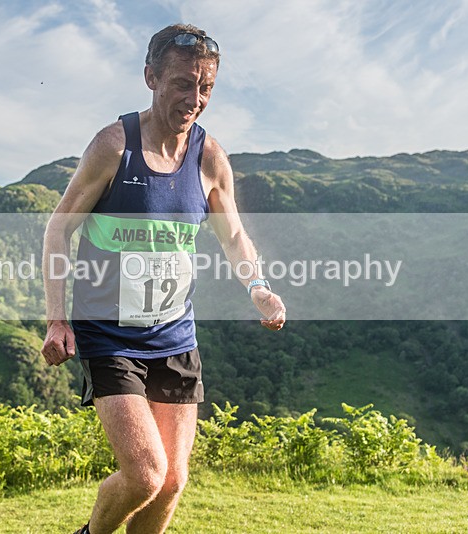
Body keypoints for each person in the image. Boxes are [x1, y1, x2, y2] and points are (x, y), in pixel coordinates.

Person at [41, 23, 286, 534]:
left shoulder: (210, 156)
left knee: (173, 482)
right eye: (182, 83)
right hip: (110, 336)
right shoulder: (114, 146)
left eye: (206, 87)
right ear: (151, 77)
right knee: (146, 474)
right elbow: (58, 231)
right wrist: (56, 320)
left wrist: (257, 286)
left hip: (175, 336)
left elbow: (234, 235)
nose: (194, 99)